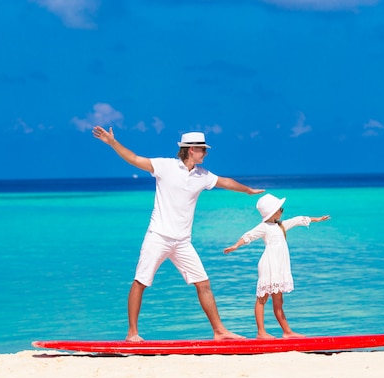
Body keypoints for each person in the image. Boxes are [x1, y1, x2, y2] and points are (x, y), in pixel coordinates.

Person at [92, 126, 264, 342]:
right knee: (141, 281)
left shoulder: (202, 175)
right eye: (203, 150)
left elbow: (225, 182)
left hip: (183, 242)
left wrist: (247, 190)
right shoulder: (165, 166)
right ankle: (132, 334)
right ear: (192, 149)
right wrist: (113, 143)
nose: (206, 153)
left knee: (203, 283)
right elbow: (134, 158)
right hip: (158, 236)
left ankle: (220, 331)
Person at [223, 193, 330, 339]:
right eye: (280, 209)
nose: (282, 211)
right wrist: (236, 246)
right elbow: (249, 235)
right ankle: (261, 332)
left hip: (279, 267)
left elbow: (297, 219)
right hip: (268, 265)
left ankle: (287, 331)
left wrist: (316, 219)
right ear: (273, 212)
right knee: (262, 298)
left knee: (279, 300)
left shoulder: (281, 226)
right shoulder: (264, 227)